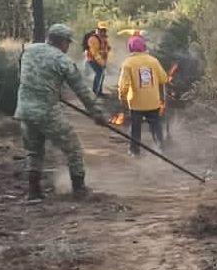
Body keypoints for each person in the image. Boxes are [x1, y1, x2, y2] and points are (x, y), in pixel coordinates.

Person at [14, 23, 107, 201]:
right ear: (62, 42)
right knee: (73, 148)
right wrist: (97, 113)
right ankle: (79, 190)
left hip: (24, 110)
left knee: (34, 152)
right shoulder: (62, 60)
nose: (68, 46)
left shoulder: (28, 51)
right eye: (68, 43)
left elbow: (23, 76)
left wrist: (48, 88)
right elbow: (82, 90)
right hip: (47, 112)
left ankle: (33, 192)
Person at [118, 34, 169, 156]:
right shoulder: (153, 61)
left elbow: (123, 86)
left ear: (130, 48)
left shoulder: (128, 63)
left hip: (136, 104)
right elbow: (163, 78)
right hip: (153, 102)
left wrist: (122, 98)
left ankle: (135, 151)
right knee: (156, 126)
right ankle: (161, 150)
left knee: (135, 128)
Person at [84, 21, 111, 96]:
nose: (103, 32)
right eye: (102, 30)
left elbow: (106, 48)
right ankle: (96, 92)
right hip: (92, 59)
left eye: (104, 30)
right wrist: (101, 62)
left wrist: (107, 49)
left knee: (101, 74)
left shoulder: (104, 38)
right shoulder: (93, 39)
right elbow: (94, 53)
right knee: (99, 73)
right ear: (98, 29)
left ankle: (98, 91)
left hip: (100, 59)